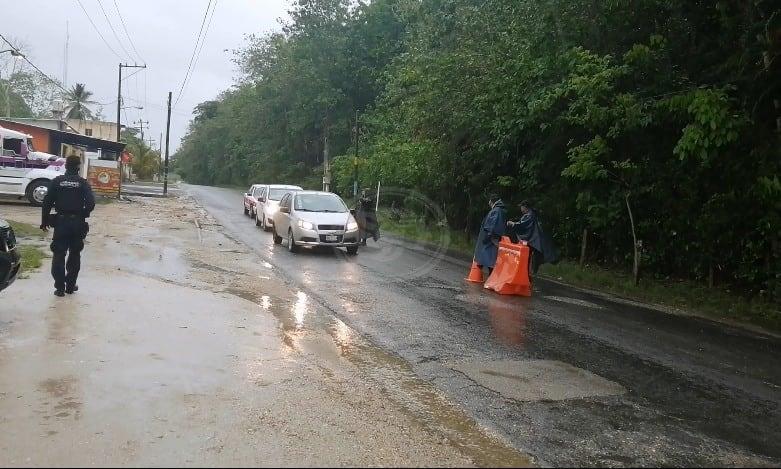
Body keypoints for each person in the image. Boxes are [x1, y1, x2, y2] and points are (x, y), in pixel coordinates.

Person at [40, 155, 95, 297]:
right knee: (75, 254)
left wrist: (44, 221)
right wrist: (82, 213)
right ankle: (70, 286)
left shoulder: (56, 182)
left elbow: (46, 202)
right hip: (77, 224)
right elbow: (91, 203)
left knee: (59, 254)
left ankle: (59, 287)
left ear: (66, 166)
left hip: (61, 223)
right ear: (78, 167)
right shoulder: (83, 183)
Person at [507, 200, 558, 275]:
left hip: (533, 240)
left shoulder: (529, 215)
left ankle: (528, 273)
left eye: (521, 207)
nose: (521, 209)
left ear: (525, 207)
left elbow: (522, 225)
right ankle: (530, 272)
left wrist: (512, 224)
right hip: (536, 239)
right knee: (534, 255)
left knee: (529, 255)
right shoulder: (533, 213)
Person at [474, 194, 507, 276]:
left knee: (489, 257)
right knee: (489, 257)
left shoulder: (496, 210)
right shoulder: (499, 210)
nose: (488, 202)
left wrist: (489, 235)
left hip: (492, 237)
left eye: (489, 201)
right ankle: (485, 270)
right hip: (494, 237)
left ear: (492, 201)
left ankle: (488, 273)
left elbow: (492, 224)